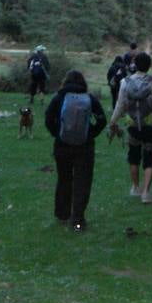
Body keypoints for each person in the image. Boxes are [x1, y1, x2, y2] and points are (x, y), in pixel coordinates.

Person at [44, 69, 107, 232]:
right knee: (82, 182)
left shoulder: (59, 97)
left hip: (62, 145)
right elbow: (102, 119)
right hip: (85, 146)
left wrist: (56, 133)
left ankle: (62, 214)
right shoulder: (89, 98)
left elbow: (48, 118)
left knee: (64, 179)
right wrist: (91, 133)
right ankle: (78, 220)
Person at [108, 52, 152, 204]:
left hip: (132, 125)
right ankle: (146, 193)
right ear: (149, 66)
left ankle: (135, 188)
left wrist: (113, 121)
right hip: (151, 125)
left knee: (133, 156)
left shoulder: (125, 82)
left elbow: (120, 105)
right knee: (150, 158)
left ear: (135, 65)